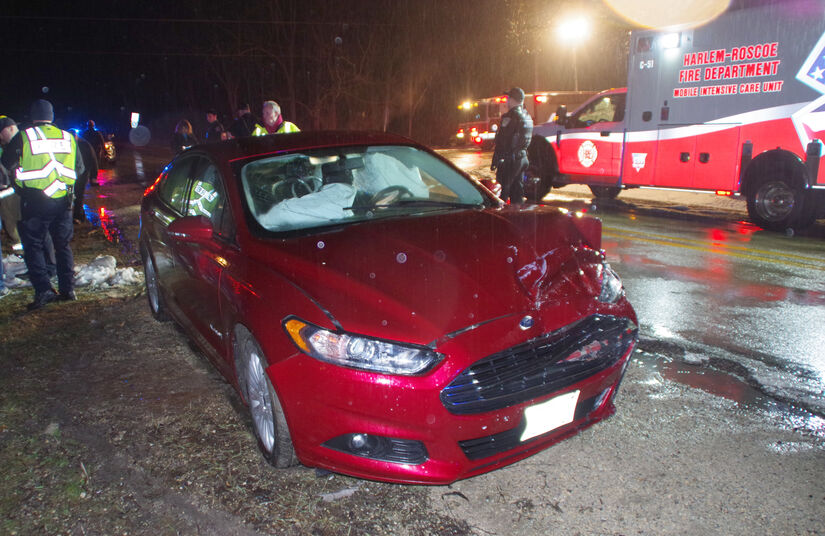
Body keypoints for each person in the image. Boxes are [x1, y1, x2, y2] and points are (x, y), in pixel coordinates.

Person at [1, 99, 84, 310]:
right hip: (63, 201)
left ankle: (44, 291)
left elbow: (6, 164)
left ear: (32, 116)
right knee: (62, 245)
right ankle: (68, 289)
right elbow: (80, 168)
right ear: (52, 116)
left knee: (33, 246)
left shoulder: (24, 137)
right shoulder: (68, 137)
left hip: (35, 201)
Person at [491, 87, 533, 204]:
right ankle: (518, 218)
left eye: (508, 98)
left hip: (509, 160)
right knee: (517, 194)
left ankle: (500, 220)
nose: (506, 101)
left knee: (500, 196)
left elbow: (502, 141)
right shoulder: (527, 116)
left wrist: (497, 159)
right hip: (522, 158)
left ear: (513, 99)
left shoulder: (509, 117)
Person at [0, 115, 23, 253]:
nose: (1, 137)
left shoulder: (15, 145)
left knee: (13, 223)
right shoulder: (10, 145)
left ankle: (21, 255)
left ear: (10, 128)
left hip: (10, 192)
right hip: (11, 191)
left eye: (1, 132)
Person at [73, 137, 98, 223]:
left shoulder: (69, 143)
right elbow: (93, 159)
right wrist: (93, 176)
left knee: (76, 194)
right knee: (79, 194)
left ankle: (77, 215)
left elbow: (93, 159)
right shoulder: (85, 143)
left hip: (75, 173)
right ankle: (78, 215)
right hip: (83, 173)